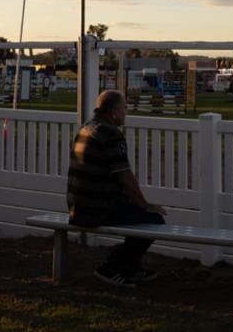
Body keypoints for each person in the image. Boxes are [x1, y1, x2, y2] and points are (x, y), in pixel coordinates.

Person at [68, 90, 167, 287]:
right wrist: (144, 204)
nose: (126, 114)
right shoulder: (111, 134)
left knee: (138, 215)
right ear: (114, 112)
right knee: (154, 221)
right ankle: (112, 267)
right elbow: (124, 175)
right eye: (124, 109)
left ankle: (129, 267)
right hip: (97, 208)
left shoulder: (86, 128)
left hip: (78, 205)